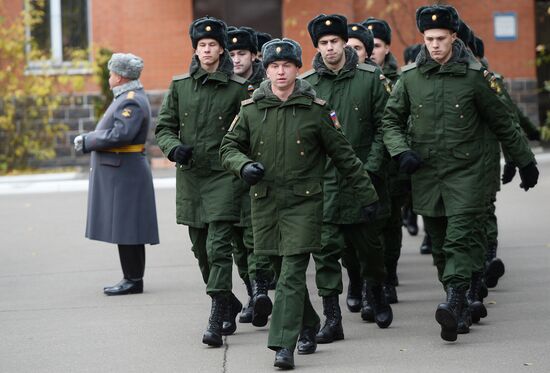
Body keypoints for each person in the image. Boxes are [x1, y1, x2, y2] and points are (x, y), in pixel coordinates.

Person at [382, 4, 539, 342]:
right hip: (427, 173)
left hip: (467, 172)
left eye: (440, 38)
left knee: (459, 238)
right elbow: (390, 122)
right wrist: (401, 151)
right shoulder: (409, 79)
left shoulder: (474, 77)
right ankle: (463, 304)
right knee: (439, 244)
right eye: (429, 39)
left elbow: (503, 122)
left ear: (454, 37)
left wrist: (524, 161)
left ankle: (454, 301)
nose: (434, 45)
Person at [220, 38, 379, 370]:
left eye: (287, 66)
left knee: (292, 272)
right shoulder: (251, 109)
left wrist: (368, 196)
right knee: (281, 272)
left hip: (304, 205)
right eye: (274, 66)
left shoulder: (315, 109)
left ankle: (283, 344)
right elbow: (228, 147)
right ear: (267, 68)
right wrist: (243, 166)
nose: (280, 72)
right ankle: (307, 323)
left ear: (296, 68)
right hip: (265, 204)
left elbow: (345, 156)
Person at [155, 16, 248, 347]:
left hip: (224, 176)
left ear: (222, 49)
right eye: (201, 45)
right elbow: (164, 126)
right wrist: (173, 148)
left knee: (218, 247)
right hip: (192, 176)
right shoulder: (180, 85)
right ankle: (227, 300)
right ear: (195, 49)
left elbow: (246, 133)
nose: (206, 50)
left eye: (212, 45)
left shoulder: (238, 89)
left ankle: (215, 313)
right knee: (200, 248)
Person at [300, 14, 393, 344]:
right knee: (324, 252)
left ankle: (376, 291)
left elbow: (386, 126)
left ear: (344, 43)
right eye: (323, 44)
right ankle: (332, 317)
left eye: (334, 42)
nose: (329, 48)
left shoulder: (370, 78)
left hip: (364, 181)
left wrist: (371, 167)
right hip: (325, 183)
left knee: (369, 248)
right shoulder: (308, 84)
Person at [74, 53, 159, 296]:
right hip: (124, 170)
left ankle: (133, 279)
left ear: (120, 77)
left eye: (111, 73)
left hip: (126, 171)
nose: (109, 77)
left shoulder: (130, 100)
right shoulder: (126, 97)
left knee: (128, 227)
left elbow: (121, 134)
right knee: (127, 227)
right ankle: (131, 277)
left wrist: (88, 140)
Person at [227, 25, 274, 326]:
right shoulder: (223, 83)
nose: (235, 59)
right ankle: (250, 292)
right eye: (230, 54)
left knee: (257, 238)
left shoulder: (266, 83)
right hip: (231, 173)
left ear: (254, 55)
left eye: (241, 53)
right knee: (237, 244)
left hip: (262, 172)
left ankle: (260, 292)